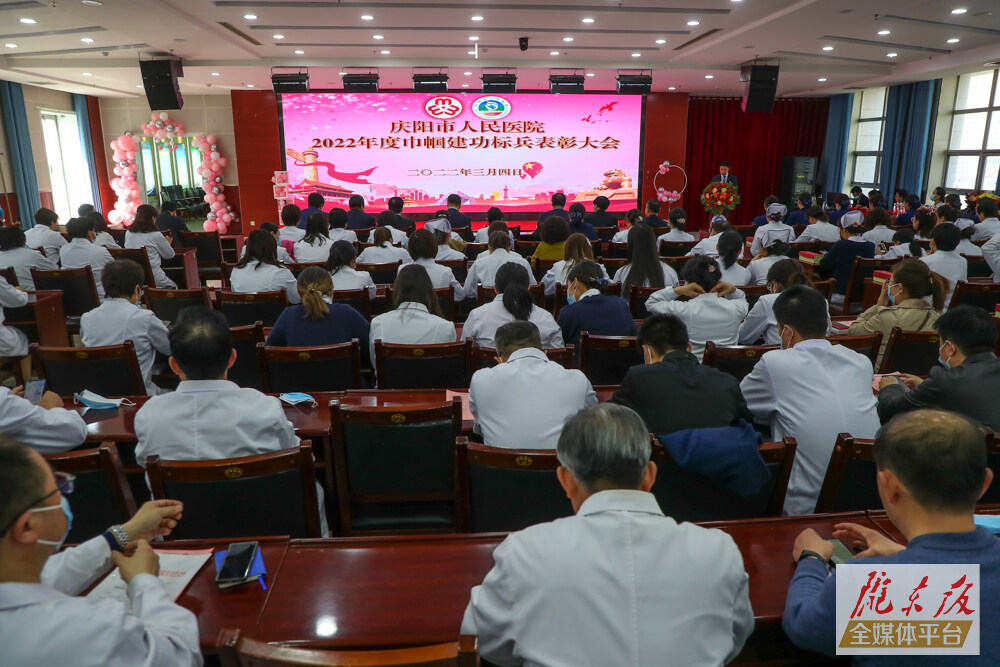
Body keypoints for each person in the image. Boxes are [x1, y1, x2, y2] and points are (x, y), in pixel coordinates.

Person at [462, 403, 754, 666]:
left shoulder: (524, 553)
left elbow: (479, 638)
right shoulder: (719, 552)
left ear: (566, 480)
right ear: (650, 476)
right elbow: (733, 639)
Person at [782, 409, 1000, 663]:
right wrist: (903, 554)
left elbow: (803, 627)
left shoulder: (874, 585)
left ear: (890, 486)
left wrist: (811, 558)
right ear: (985, 483)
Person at [0, 440, 201, 666]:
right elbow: (179, 655)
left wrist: (120, 536)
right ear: (27, 527)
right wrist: (144, 580)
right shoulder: (83, 629)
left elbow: (49, 576)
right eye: (58, 488)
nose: (64, 494)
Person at [133, 306, 328, 536]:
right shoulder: (263, 406)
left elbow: (142, 462)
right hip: (265, 525)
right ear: (232, 358)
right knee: (314, 488)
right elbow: (298, 457)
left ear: (174, 365)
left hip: (185, 533)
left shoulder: (149, 414)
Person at [740, 286, 879, 515]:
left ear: (786, 331)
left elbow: (743, 406)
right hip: (867, 502)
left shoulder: (774, 363)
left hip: (803, 509)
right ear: (826, 323)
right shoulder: (860, 361)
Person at [612, 314, 752, 435]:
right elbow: (748, 426)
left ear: (647, 352)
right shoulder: (728, 382)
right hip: (716, 464)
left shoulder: (638, 378)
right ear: (689, 348)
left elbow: (607, 419)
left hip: (658, 465)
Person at [469, 321, 596, 449]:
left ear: (499, 359)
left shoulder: (481, 380)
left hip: (498, 467)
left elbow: (479, 429)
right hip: (563, 466)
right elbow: (592, 423)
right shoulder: (577, 379)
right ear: (544, 353)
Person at [877, 306, 1000, 430]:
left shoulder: (945, 380)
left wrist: (891, 386)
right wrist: (925, 385)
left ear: (949, 348)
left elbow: (890, 412)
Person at [80, 260, 171, 396]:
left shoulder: (87, 318)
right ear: (137, 289)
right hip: (140, 396)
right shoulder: (144, 318)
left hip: (100, 396)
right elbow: (171, 347)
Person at [646, 256, 749, 361]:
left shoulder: (684, 309)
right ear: (718, 281)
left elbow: (651, 303)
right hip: (727, 373)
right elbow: (742, 298)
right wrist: (733, 290)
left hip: (692, 374)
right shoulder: (735, 308)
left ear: (689, 283)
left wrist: (678, 290)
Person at [848, 258, 944, 368]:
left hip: (885, 378)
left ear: (900, 288)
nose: (888, 285)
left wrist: (878, 306)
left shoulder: (888, 316)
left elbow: (853, 331)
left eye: (890, 281)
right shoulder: (938, 318)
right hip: (919, 379)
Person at [266, 266, 371, 350]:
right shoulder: (347, 313)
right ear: (331, 291)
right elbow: (370, 343)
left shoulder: (288, 316)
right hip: (343, 376)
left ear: (299, 294)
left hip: (298, 376)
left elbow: (271, 350)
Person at [464, 263, 562, 350]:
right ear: (528, 288)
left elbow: (466, 352)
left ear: (495, 289)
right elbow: (557, 358)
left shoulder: (477, 316)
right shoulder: (547, 318)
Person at [368, 264, 456, 362]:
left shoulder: (378, 323)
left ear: (398, 290)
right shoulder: (446, 328)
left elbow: (376, 365)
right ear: (428, 291)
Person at [557, 261, 636, 348]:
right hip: (624, 361)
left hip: (583, 361)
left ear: (575, 283)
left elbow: (561, 348)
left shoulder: (568, 313)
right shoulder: (621, 304)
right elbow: (633, 338)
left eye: (568, 287)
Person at [739, 259, 811, 345]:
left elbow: (744, 337)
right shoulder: (821, 300)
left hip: (779, 355)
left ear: (775, 284)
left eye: (769, 285)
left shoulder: (767, 301)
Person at [816, 210, 876, 304]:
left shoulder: (841, 245)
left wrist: (827, 256)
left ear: (844, 230)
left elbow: (824, 265)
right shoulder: (871, 246)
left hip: (840, 294)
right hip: (862, 296)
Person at [229, 229, 300, 304]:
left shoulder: (236, 271)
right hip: (274, 315)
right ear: (272, 248)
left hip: (241, 314)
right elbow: (297, 299)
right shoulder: (281, 272)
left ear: (247, 247)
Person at [463, 231, 537, 295]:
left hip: (488, 308)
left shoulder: (478, 263)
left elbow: (468, 291)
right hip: (518, 307)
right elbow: (533, 287)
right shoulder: (522, 262)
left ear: (489, 247)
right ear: (509, 248)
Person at [58, 217, 114, 300]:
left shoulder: (63, 250)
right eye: (94, 231)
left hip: (73, 299)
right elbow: (115, 271)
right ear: (89, 232)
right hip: (100, 299)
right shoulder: (100, 251)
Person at [613, 224, 678, 294]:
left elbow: (616, 301)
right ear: (653, 243)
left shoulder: (621, 273)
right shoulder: (670, 273)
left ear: (631, 246)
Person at [125, 204, 176, 289]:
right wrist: (167, 243)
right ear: (153, 218)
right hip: (154, 276)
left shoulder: (128, 233)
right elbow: (169, 255)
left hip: (134, 276)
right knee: (173, 287)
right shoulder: (155, 235)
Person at [542, 233, 609, 296]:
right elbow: (610, 288)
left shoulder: (558, 267)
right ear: (588, 249)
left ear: (567, 249)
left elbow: (544, 289)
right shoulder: (598, 267)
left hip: (564, 307)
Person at [406, 229, 464, 301]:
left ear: (410, 249)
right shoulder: (445, 271)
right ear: (434, 246)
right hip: (439, 311)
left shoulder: (403, 270)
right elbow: (460, 296)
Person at [921, 222, 967, 310]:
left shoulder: (925, 261)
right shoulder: (963, 261)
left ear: (933, 241)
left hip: (929, 311)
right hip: (953, 311)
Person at [0, 226, 56, 290]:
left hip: (8, 297)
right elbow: (54, 270)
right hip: (32, 295)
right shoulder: (32, 255)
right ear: (22, 239)